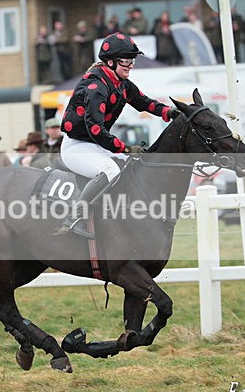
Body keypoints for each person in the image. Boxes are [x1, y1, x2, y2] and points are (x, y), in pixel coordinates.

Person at [59, 32, 182, 238]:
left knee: (135, 166)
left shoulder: (120, 83)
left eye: (131, 60)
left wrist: (168, 112)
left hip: (94, 144)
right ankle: (75, 217)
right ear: (110, 62)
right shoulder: (96, 87)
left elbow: (144, 102)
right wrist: (124, 148)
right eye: (126, 61)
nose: (131, 65)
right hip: (76, 146)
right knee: (110, 170)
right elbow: (96, 129)